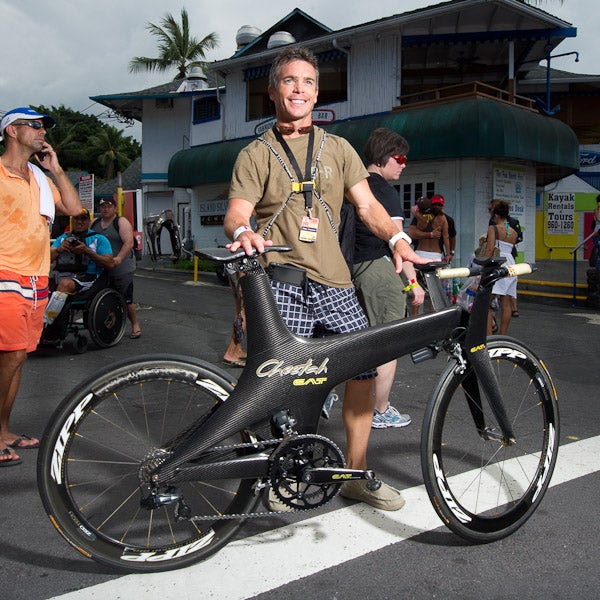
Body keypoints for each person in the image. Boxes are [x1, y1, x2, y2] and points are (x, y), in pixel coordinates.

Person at [224, 46, 430, 511]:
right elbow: (237, 210)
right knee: (287, 384)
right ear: (273, 90)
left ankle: (355, 474)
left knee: (362, 371)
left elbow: (368, 206)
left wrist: (398, 240)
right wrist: (242, 231)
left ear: (317, 93)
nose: (299, 90)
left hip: (337, 284)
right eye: (290, 81)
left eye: (309, 82)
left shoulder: (338, 148)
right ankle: (286, 476)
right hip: (283, 281)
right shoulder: (256, 154)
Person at [0, 106, 82, 466]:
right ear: (11, 131)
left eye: (44, 127)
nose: (42, 132)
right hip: (4, 273)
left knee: (18, 359)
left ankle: (4, 430)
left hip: (36, 277)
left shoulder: (39, 177)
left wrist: (57, 170)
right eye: (34, 126)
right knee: (12, 355)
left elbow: (75, 209)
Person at [351, 128, 425, 429]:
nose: (404, 164)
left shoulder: (354, 186)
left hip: (350, 270)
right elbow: (398, 244)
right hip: (379, 273)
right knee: (387, 345)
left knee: (357, 343)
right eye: (400, 158)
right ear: (383, 157)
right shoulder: (384, 192)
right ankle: (380, 410)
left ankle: (332, 396)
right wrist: (414, 283)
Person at [91, 198, 142, 338]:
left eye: (109, 206)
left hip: (122, 267)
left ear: (115, 209)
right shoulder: (94, 223)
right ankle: (109, 326)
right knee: (101, 298)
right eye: (102, 206)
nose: (105, 209)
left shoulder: (121, 222)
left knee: (125, 297)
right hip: (102, 267)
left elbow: (128, 243)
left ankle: (135, 325)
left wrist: (119, 258)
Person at [484, 200, 518, 335]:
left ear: (496, 214)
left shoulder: (493, 229)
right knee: (506, 302)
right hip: (510, 264)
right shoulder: (513, 232)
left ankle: (489, 336)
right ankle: (502, 336)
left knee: (485, 302)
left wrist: (484, 267)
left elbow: (489, 249)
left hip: (497, 263)